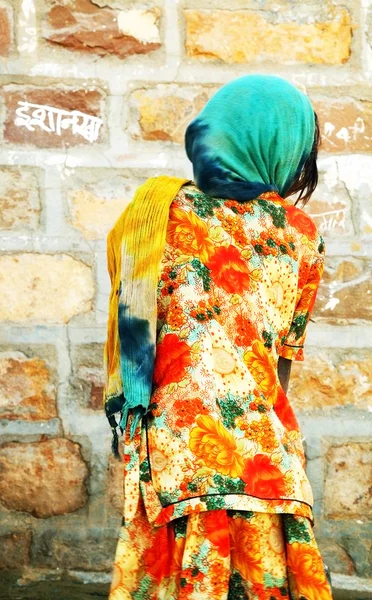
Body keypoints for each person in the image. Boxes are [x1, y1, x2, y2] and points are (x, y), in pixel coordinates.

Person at [105, 74, 333, 600]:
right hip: (265, 461)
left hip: (176, 457)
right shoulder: (301, 234)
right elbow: (282, 366)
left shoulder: (154, 215)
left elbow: (134, 328)